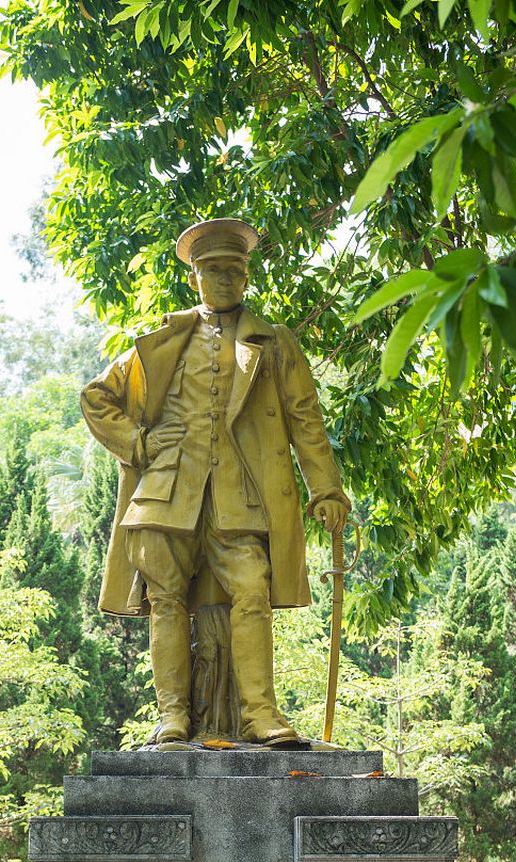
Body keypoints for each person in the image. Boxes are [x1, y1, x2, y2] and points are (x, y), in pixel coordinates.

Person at [80, 217, 350, 745]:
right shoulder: (162, 340)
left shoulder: (273, 343)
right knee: (165, 598)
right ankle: (173, 716)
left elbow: (305, 418)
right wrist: (138, 443)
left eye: (235, 270)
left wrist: (326, 488)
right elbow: (96, 397)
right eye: (213, 270)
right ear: (195, 277)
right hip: (166, 491)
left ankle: (259, 714)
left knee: (251, 588)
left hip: (240, 492)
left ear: (247, 278)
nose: (224, 279)